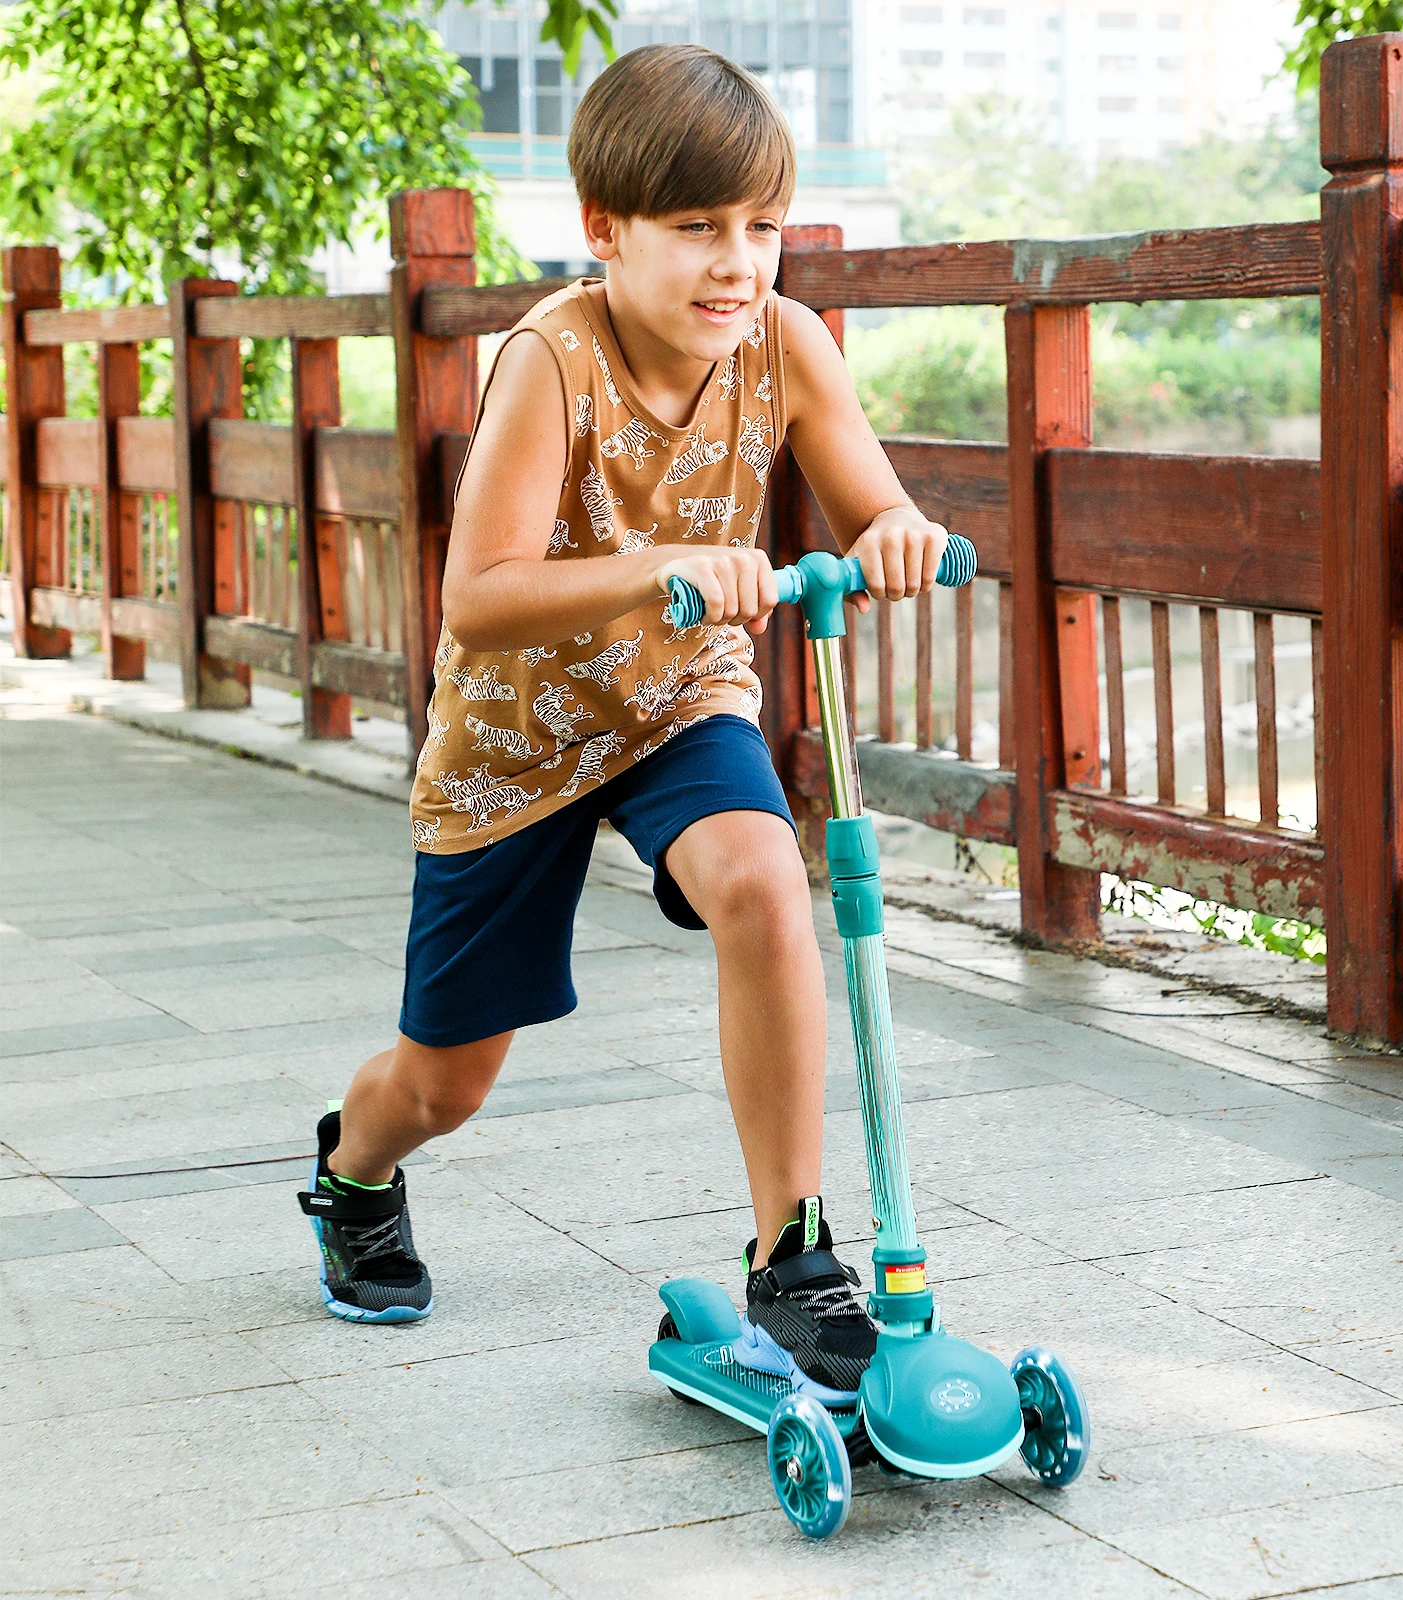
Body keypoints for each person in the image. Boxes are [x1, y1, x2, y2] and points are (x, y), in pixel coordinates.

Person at [297, 42, 948, 1405]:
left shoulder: (786, 343)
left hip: (676, 700)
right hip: (516, 740)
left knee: (769, 879)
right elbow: (479, 598)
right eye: (698, 229)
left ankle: (792, 1250)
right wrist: (659, 575)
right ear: (604, 233)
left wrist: (895, 533)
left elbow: (871, 500)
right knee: (445, 1080)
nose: (737, 263)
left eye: (760, 227)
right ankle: (352, 1175)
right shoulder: (553, 357)